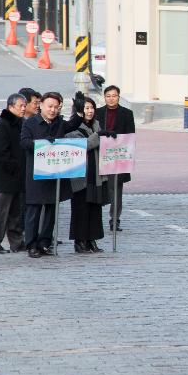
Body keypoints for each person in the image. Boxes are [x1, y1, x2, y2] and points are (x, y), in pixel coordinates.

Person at [21, 91, 71, 258]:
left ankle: (44, 243)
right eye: (50, 106)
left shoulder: (59, 123)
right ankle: (31, 244)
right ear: (41, 105)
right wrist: (40, 144)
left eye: (56, 107)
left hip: (54, 174)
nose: (53, 110)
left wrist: (78, 111)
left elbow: (74, 125)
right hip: (36, 174)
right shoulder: (31, 123)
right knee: (33, 211)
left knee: (51, 211)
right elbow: (24, 142)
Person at [0, 93, 28, 254]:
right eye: (21, 106)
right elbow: (1, 154)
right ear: (10, 107)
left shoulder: (22, 124)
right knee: (2, 212)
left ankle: (17, 242)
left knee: (16, 213)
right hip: (6, 177)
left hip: (19, 176)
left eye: (25, 105)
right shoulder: (2, 125)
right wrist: (16, 168)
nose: (24, 108)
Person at [66, 96, 106, 253]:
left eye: (91, 108)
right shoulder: (72, 127)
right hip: (80, 175)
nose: (90, 111)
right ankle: (79, 240)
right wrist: (99, 137)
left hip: (96, 174)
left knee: (95, 209)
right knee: (80, 208)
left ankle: (92, 239)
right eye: (86, 108)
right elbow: (82, 146)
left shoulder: (97, 125)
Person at [96, 85, 136, 232]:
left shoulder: (127, 113)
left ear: (119, 97)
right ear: (104, 97)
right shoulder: (98, 112)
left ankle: (114, 219)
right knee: (99, 188)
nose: (111, 98)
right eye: (108, 96)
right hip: (100, 155)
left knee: (116, 189)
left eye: (114, 95)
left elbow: (130, 136)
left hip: (117, 157)